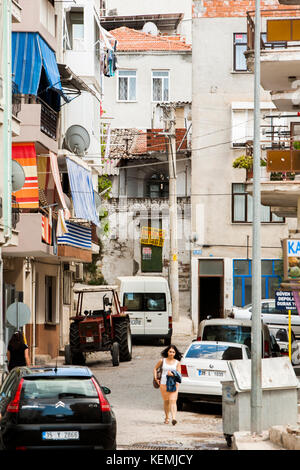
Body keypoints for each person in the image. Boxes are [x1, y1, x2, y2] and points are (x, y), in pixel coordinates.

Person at [153, 344, 182, 426]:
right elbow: (155, 368)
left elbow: (179, 374)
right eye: (170, 351)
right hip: (163, 383)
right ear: (167, 352)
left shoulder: (177, 363)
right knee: (166, 401)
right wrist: (156, 378)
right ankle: (167, 417)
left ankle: (174, 418)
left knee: (173, 401)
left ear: (175, 353)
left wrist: (172, 375)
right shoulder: (162, 361)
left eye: (173, 352)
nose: (171, 353)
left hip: (174, 384)